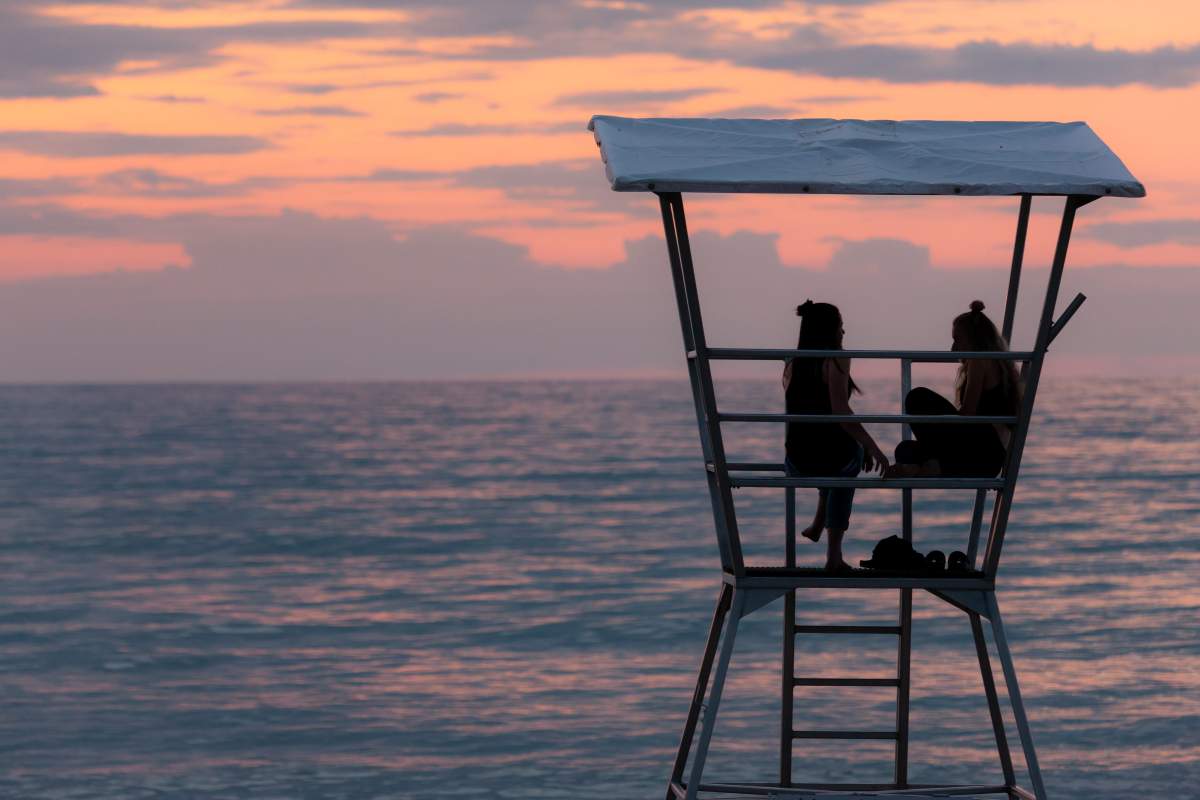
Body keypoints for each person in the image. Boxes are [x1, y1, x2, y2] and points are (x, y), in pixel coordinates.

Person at [784, 300, 889, 571]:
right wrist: (872, 446)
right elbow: (840, 411)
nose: (843, 334)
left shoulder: (792, 362)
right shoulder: (836, 358)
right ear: (829, 330)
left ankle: (819, 522)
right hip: (827, 458)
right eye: (840, 328)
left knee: (838, 454)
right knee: (845, 463)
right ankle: (833, 556)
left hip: (795, 461)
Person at [885, 300, 1022, 478]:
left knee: (917, 398)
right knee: (905, 450)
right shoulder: (997, 363)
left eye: (957, 340)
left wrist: (940, 421)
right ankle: (931, 467)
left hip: (983, 453)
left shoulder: (979, 360)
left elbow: (968, 414)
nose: (953, 349)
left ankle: (931, 467)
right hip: (986, 456)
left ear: (973, 339)